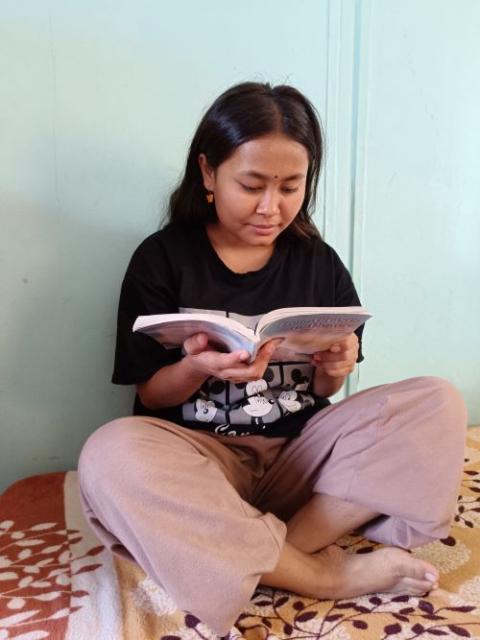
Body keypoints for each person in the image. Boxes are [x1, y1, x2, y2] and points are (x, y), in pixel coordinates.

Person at [78, 82, 467, 635]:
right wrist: (196, 367)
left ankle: (256, 553)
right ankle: (317, 575)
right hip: (200, 461)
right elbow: (149, 393)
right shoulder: (162, 258)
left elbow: (326, 395)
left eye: (290, 187)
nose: (271, 207)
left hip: (299, 464)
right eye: (252, 185)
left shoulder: (318, 262)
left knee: (435, 403)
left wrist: (334, 370)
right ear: (208, 174)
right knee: (108, 454)